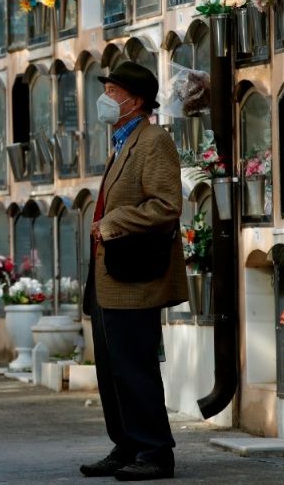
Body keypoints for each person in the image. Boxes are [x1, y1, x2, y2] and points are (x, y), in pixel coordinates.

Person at [80, 62, 188, 481]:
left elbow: (166, 206)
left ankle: (155, 452)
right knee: (111, 370)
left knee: (134, 366)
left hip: (134, 275)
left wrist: (110, 223)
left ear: (135, 100)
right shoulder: (122, 142)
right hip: (109, 276)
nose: (104, 98)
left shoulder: (154, 140)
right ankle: (126, 444)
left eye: (112, 90)